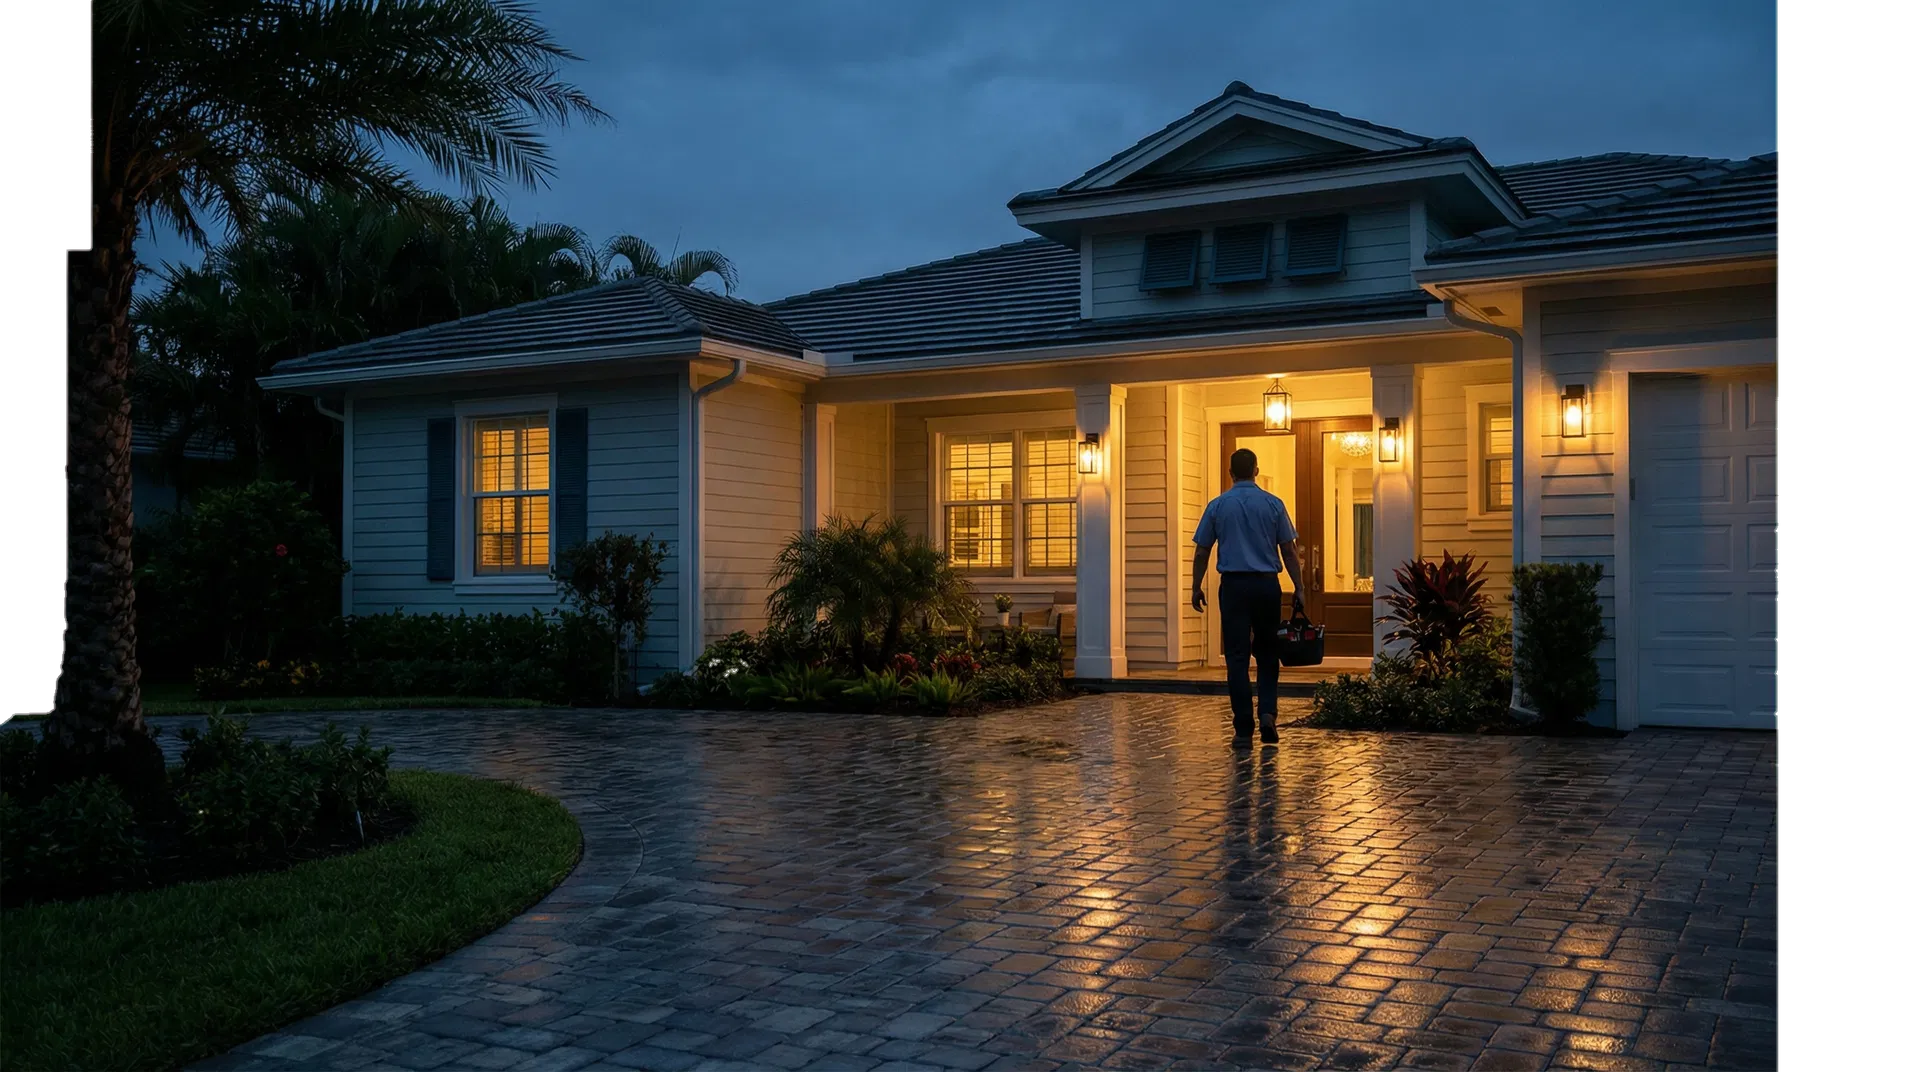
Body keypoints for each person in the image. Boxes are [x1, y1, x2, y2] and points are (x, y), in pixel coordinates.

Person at [1191, 448, 1307, 745]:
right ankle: (1267, 713)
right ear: (1256, 470)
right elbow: (1289, 550)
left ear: (1231, 473)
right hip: (1266, 586)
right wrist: (1299, 586)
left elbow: (1202, 550)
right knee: (1268, 652)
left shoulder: (1218, 506)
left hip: (1233, 587)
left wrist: (1196, 585)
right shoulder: (1273, 504)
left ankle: (1243, 726)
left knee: (1237, 656)